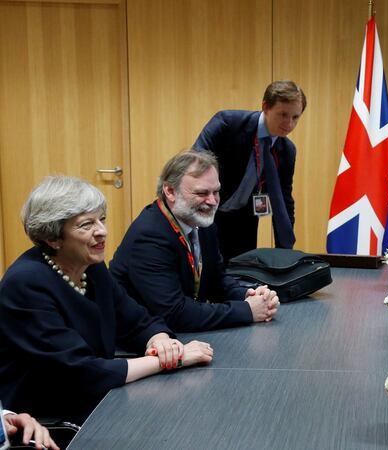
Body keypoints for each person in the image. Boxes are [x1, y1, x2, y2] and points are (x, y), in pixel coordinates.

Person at [0, 176, 213, 423]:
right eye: (86, 225)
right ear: (53, 237)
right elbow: (82, 371)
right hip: (47, 420)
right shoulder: (26, 283)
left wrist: (161, 340)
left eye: (101, 219)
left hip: (97, 399)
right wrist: (172, 360)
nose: (102, 232)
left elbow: (137, 321)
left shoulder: (91, 267)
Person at [110, 150, 280, 332]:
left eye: (216, 192)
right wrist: (247, 310)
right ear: (170, 191)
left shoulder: (202, 221)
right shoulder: (149, 237)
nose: (213, 201)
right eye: (202, 193)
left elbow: (217, 280)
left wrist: (248, 295)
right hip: (139, 339)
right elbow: (175, 314)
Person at [194, 80, 306, 262]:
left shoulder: (287, 150)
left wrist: (285, 251)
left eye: (295, 117)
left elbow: (284, 200)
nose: (289, 124)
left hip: (244, 221)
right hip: (209, 214)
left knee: (240, 276)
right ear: (266, 107)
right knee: (208, 275)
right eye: (283, 114)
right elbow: (193, 163)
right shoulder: (227, 123)